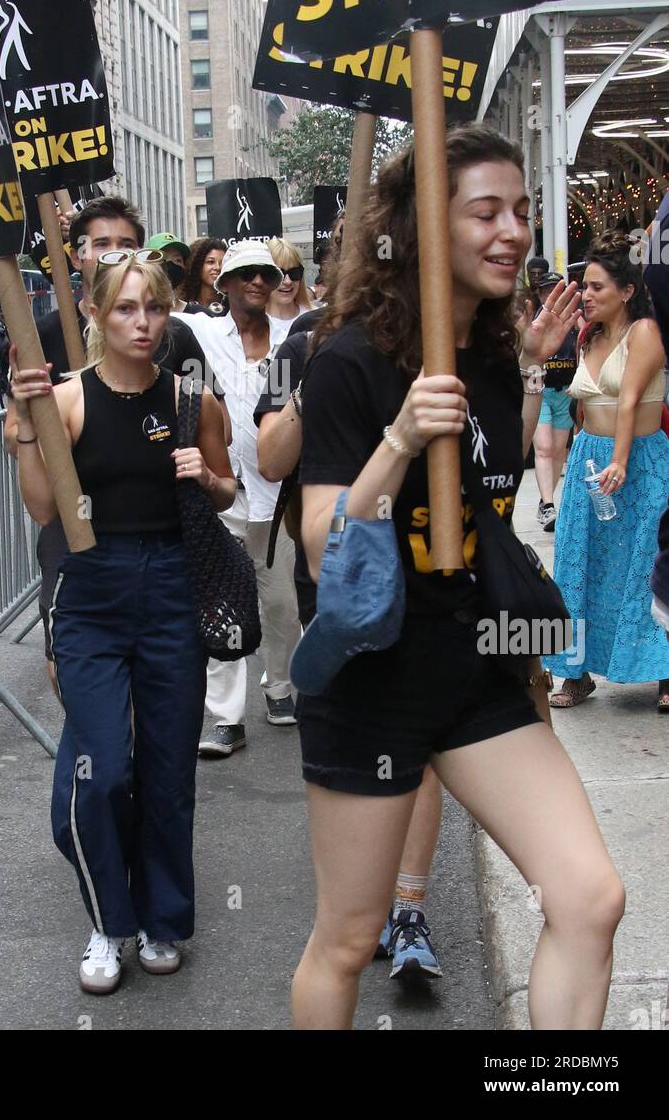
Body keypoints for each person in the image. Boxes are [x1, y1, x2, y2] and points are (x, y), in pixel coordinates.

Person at [292, 123, 624, 1031]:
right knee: (350, 941)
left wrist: (515, 375)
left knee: (590, 899)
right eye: (486, 212)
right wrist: (399, 439)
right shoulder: (349, 362)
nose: (512, 230)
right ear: (425, 229)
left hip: (476, 663)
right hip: (374, 683)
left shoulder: (484, 347)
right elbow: (325, 546)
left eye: (520, 210)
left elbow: (494, 498)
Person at [10, 249, 235, 994]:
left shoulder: (188, 398)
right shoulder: (69, 400)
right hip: (93, 594)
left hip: (173, 587)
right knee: (101, 772)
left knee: (169, 774)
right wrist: (21, 428)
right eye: (127, 309)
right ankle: (111, 922)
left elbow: (229, 489)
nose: (143, 324)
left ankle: (165, 920)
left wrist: (206, 478)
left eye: (156, 308)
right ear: (96, 316)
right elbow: (44, 509)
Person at [255, 325, 445, 980]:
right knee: (362, 748)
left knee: (420, 752)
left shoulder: (436, 331)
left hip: (427, 575)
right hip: (340, 582)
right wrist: (311, 388)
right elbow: (271, 459)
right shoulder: (308, 347)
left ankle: (410, 908)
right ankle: (354, 911)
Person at [5, 195, 225, 700]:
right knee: (92, 718)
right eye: (101, 245)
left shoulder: (179, 343)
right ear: (77, 253)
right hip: (77, 545)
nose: (140, 323)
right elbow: (23, 455)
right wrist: (40, 421)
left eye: (127, 244)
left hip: (169, 562)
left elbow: (217, 433)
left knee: (162, 731)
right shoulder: (40, 340)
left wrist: (196, 466)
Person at [174, 241, 302, 755]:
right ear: (222, 282)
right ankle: (226, 718)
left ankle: (279, 685)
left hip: (278, 495)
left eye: (267, 275)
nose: (257, 283)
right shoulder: (200, 332)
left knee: (280, 603)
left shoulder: (292, 341)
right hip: (219, 494)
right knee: (221, 603)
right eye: (245, 273)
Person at [545, 231, 669, 712]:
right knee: (578, 566)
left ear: (627, 291)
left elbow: (631, 401)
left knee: (644, 568)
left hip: (640, 462)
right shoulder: (588, 335)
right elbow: (584, 405)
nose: (587, 295)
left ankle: (662, 670)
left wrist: (619, 459)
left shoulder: (646, 333)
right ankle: (574, 672)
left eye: (597, 286)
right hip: (588, 463)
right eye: (585, 286)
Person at [531, 271, 577, 532]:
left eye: (555, 289)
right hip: (541, 390)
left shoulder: (575, 318)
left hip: (566, 392)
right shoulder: (534, 320)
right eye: (546, 291)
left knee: (559, 450)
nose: (550, 295)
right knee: (545, 447)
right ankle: (548, 504)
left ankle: (544, 499)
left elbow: (584, 348)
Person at [267, 238, 313, 323]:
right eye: (280, 273)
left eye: (294, 273)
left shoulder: (316, 320)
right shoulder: (250, 323)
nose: (288, 281)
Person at [181, 237, 227, 314]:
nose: (217, 267)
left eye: (222, 263)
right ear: (197, 265)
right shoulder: (182, 306)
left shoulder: (234, 305)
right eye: (211, 262)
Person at [147, 232, 192, 308]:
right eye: (162, 259)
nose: (169, 265)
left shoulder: (197, 314)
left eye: (177, 260)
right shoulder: (136, 313)